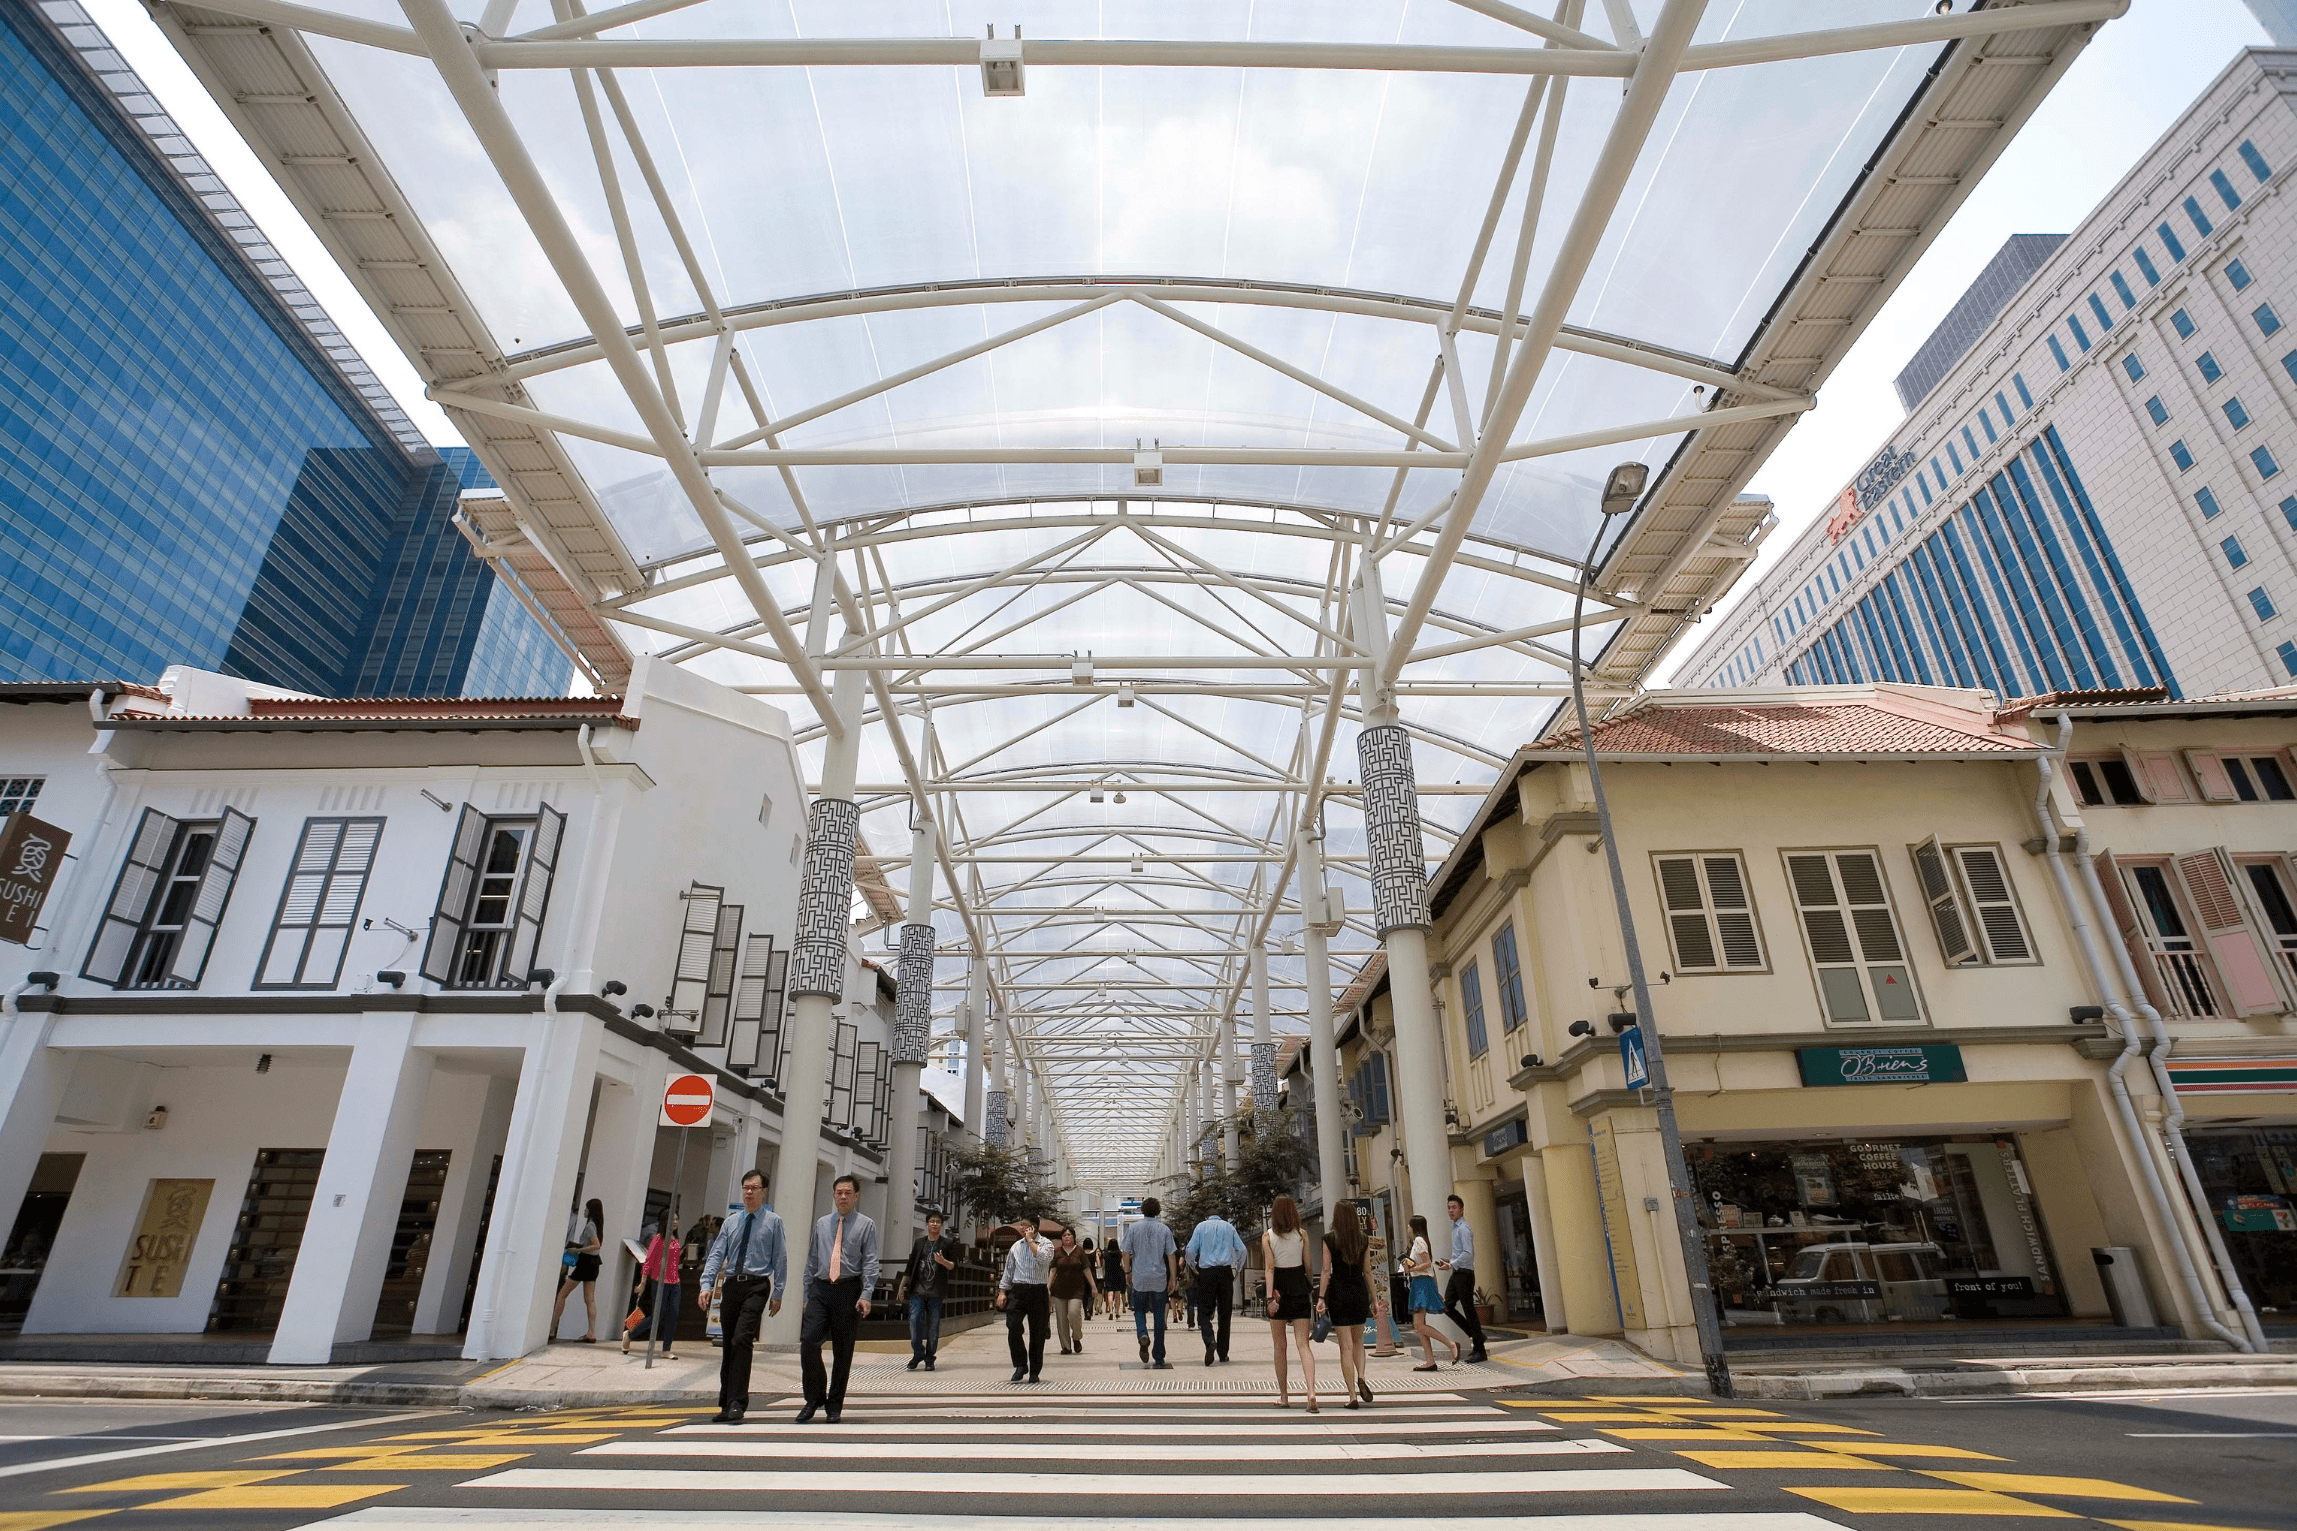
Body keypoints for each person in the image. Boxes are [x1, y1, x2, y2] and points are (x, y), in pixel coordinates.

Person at [698, 1171, 785, 1424]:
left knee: (742, 1339)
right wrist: (706, 1284)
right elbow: (717, 1254)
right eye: (745, 1187)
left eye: (754, 1188)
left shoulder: (773, 1222)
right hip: (732, 1285)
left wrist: (778, 1291)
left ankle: (738, 1402)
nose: (749, 1192)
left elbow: (780, 1258)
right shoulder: (731, 1222)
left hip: (757, 1286)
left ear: (764, 1191)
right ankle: (726, 1403)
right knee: (729, 1343)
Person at [797, 1173, 879, 1423]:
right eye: (838, 1192)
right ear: (834, 1195)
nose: (842, 1197)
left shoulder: (866, 1225)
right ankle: (813, 1398)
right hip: (821, 1289)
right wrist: (805, 1294)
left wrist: (866, 1294)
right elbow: (812, 1259)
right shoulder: (822, 1224)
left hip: (848, 1290)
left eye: (847, 1193)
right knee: (809, 1342)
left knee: (843, 1351)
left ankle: (834, 1406)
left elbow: (871, 1262)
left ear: (856, 1196)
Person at [1316, 1199, 1382, 1409]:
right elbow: (1368, 1271)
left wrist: (1321, 1298)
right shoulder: (1362, 1239)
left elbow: (1326, 1271)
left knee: (1345, 1346)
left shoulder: (1329, 1239)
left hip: (1338, 1293)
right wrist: (1375, 1299)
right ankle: (1361, 1375)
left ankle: (1352, 1396)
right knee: (1359, 1341)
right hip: (1358, 1291)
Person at [1260, 1194, 1318, 1411]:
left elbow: (1269, 1268)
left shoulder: (1268, 1237)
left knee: (1279, 1345)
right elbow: (1309, 1265)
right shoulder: (1302, 1235)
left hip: (1278, 1290)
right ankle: (1311, 1392)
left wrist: (1269, 1298)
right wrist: (1308, 1285)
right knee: (1303, 1344)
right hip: (1299, 1286)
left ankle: (1284, 1395)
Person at [1119, 1195, 1179, 1369]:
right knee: (1159, 1316)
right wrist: (1173, 1278)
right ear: (1158, 1211)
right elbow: (1171, 1256)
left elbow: (1125, 1253)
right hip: (1159, 1278)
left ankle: (1143, 1334)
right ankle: (1158, 1356)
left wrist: (1128, 1272)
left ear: (1142, 1210)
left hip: (1140, 1278)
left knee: (1139, 1310)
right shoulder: (1164, 1230)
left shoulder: (1134, 1229)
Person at [996, 1215, 1057, 1382]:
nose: (1022, 1228)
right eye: (1021, 1225)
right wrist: (1002, 1291)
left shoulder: (1046, 1244)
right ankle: (1020, 1364)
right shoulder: (1016, 1246)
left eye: (1026, 1226)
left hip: (1038, 1290)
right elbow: (1009, 1270)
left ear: (1035, 1228)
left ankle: (1034, 1371)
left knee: (1037, 1333)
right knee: (1013, 1325)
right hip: (1018, 1290)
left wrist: (1031, 1243)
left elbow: (1044, 1259)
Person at [897, 1210, 959, 1372]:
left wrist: (942, 1261)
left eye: (938, 1222)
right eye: (932, 1221)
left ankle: (929, 1358)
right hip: (918, 1290)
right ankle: (918, 1353)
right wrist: (902, 1286)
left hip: (936, 1293)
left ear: (941, 1225)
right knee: (914, 1321)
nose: (934, 1224)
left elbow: (953, 1265)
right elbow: (910, 1266)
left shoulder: (947, 1243)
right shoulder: (919, 1243)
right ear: (927, 1224)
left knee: (933, 1327)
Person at [1184, 1205, 1246, 1366]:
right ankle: (1223, 1353)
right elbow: (1242, 1250)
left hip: (1206, 1273)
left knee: (1204, 1310)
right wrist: (1237, 1268)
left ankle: (1209, 1339)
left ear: (1206, 1217)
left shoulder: (1200, 1227)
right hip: (1225, 1272)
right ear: (1219, 1216)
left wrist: (1194, 1266)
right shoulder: (1228, 1226)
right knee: (1225, 1313)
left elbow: (1190, 1250)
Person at [1403, 1213, 1460, 1371]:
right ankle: (1430, 1360)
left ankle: (1451, 1344)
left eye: (1409, 1225)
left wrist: (1412, 1268)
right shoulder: (1418, 1241)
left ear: (1414, 1227)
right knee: (1420, 1325)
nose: (1407, 1228)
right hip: (1421, 1283)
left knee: (1419, 1325)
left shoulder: (1419, 1240)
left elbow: (1428, 1264)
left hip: (1422, 1283)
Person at [623, 1213, 683, 1359]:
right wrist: (643, 1282)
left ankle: (666, 1349)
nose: (675, 1222)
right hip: (659, 1281)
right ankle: (630, 1334)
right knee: (657, 1315)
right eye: (672, 1219)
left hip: (675, 1281)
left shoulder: (676, 1240)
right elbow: (648, 1261)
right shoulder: (658, 1239)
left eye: (676, 1219)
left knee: (673, 1314)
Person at [1441, 1193, 1489, 1363]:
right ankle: (1477, 1335)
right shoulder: (1455, 1228)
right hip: (1457, 1272)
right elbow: (1461, 1253)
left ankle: (1480, 1350)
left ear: (1461, 1210)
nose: (1451, 1210)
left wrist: (1451, 1264)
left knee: (1469, 1311)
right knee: (1447, 1306)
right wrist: (1450, 1262)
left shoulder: (1463, 1228)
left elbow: (1468, 1254)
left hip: (1464, 1274)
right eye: (1448, 1208)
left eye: (1454, 1207)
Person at [552, 1197, 604, 1343]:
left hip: (585, 1263)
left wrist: (578, 1249)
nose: (584, 1210)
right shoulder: (598, 1226)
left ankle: (551, 1328)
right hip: (594, 1264)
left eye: (586, 1208)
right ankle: (591, 1332)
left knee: (562, 1294)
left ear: (591, 1210)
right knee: (590, 1299)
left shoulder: (590, 1226)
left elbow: (596, 1245)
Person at [1049, 1228, 1098, 1355]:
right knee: (1061, 1319)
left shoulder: (1079, 1251)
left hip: (1076, 1289)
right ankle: (1066, 1346)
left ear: (1073, 1237)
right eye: (1064, 1235)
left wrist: (1093, 1286)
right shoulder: (1057, 1252)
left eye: (1069, 1235)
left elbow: (1086, 1269)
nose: (1067, 1237)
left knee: (1073, 1313)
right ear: (1061, 1238)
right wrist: (1048, 1286)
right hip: (1059, 1290)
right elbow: (1053, 1270)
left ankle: (1076, 1337)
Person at [1100, 1236, 1126, 1319]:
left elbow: (1103, 1266)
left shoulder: (1106, 1254)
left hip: (1109, 1275)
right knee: (1117, 1294)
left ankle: (1111, 1311)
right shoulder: (1119, 1254)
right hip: (1118, 1275)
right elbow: (1123, 1265)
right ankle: (1117, 1312)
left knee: (1110, 1294)